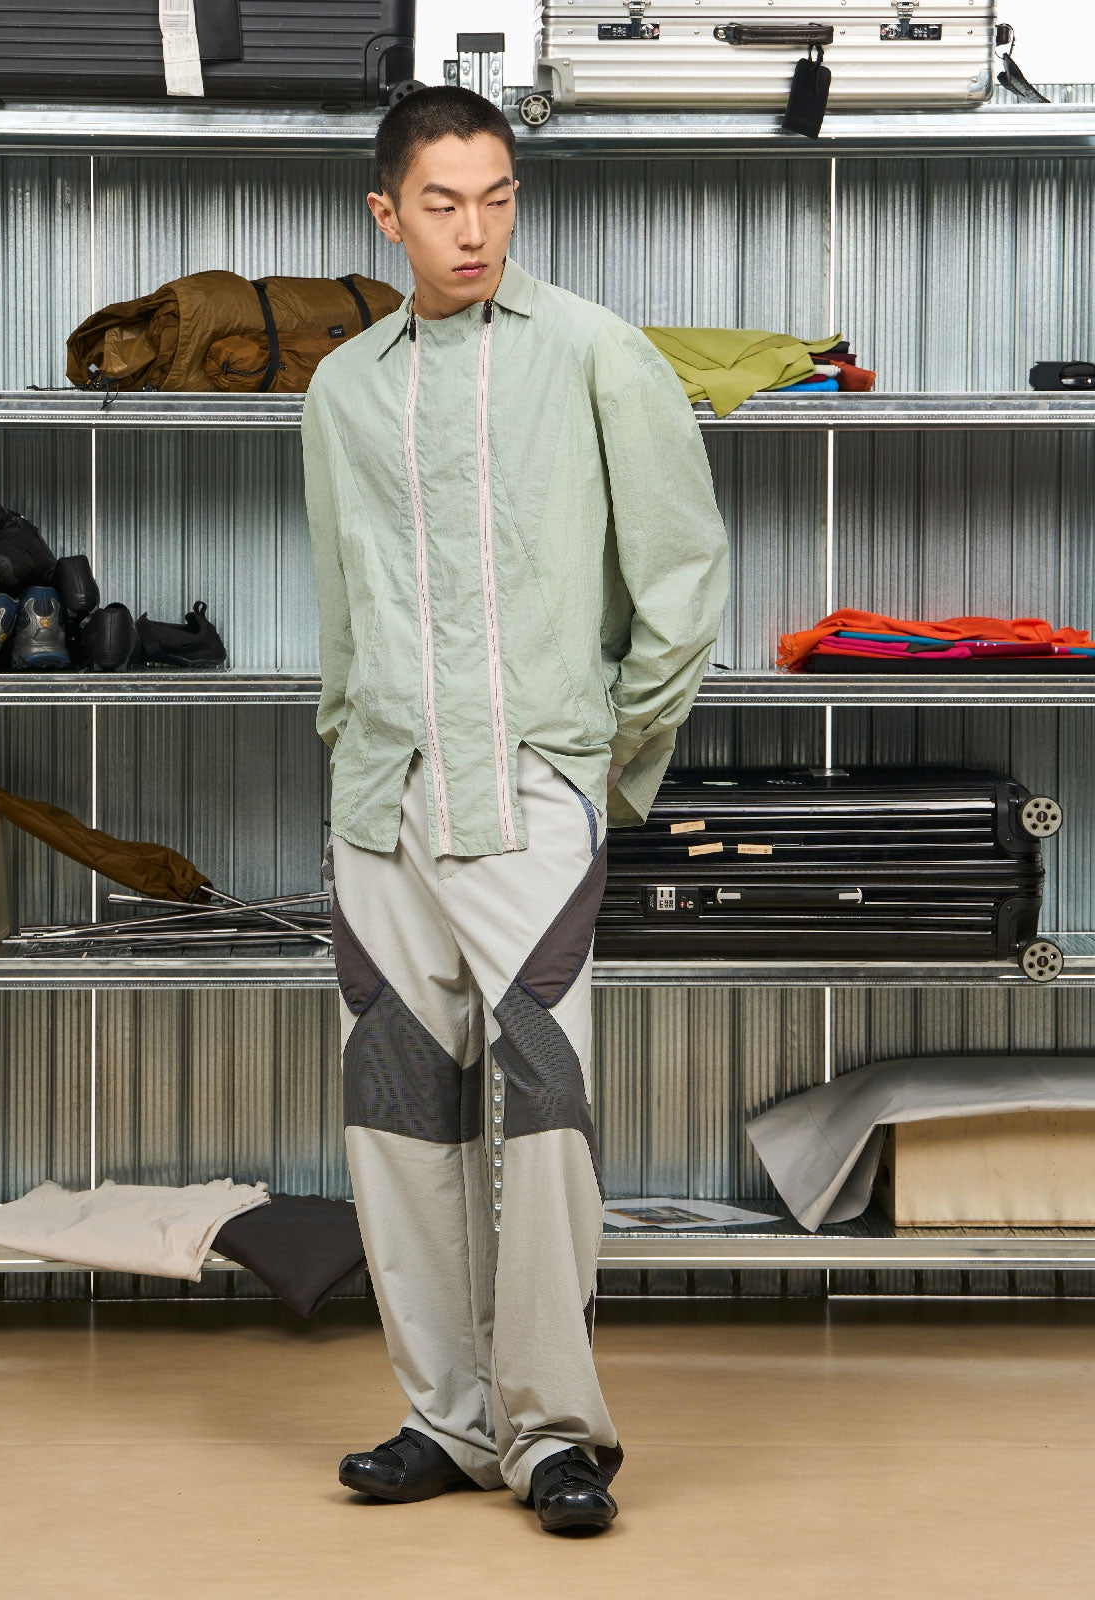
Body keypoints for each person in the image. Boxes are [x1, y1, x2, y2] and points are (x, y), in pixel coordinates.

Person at [303, 85, 729, 1535]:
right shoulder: (343, 388)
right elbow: (343, 605)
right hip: (382, 803)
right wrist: (348, 756)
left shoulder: (599, 353)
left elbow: (681, 583)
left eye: (496, 197)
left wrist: (600, 767)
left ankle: (554, 1434)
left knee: (543, 1115)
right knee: (397, 1111)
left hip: (534, 791)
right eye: (442, 203)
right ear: (387, 213)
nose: (473, 228)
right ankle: (446, 1416)